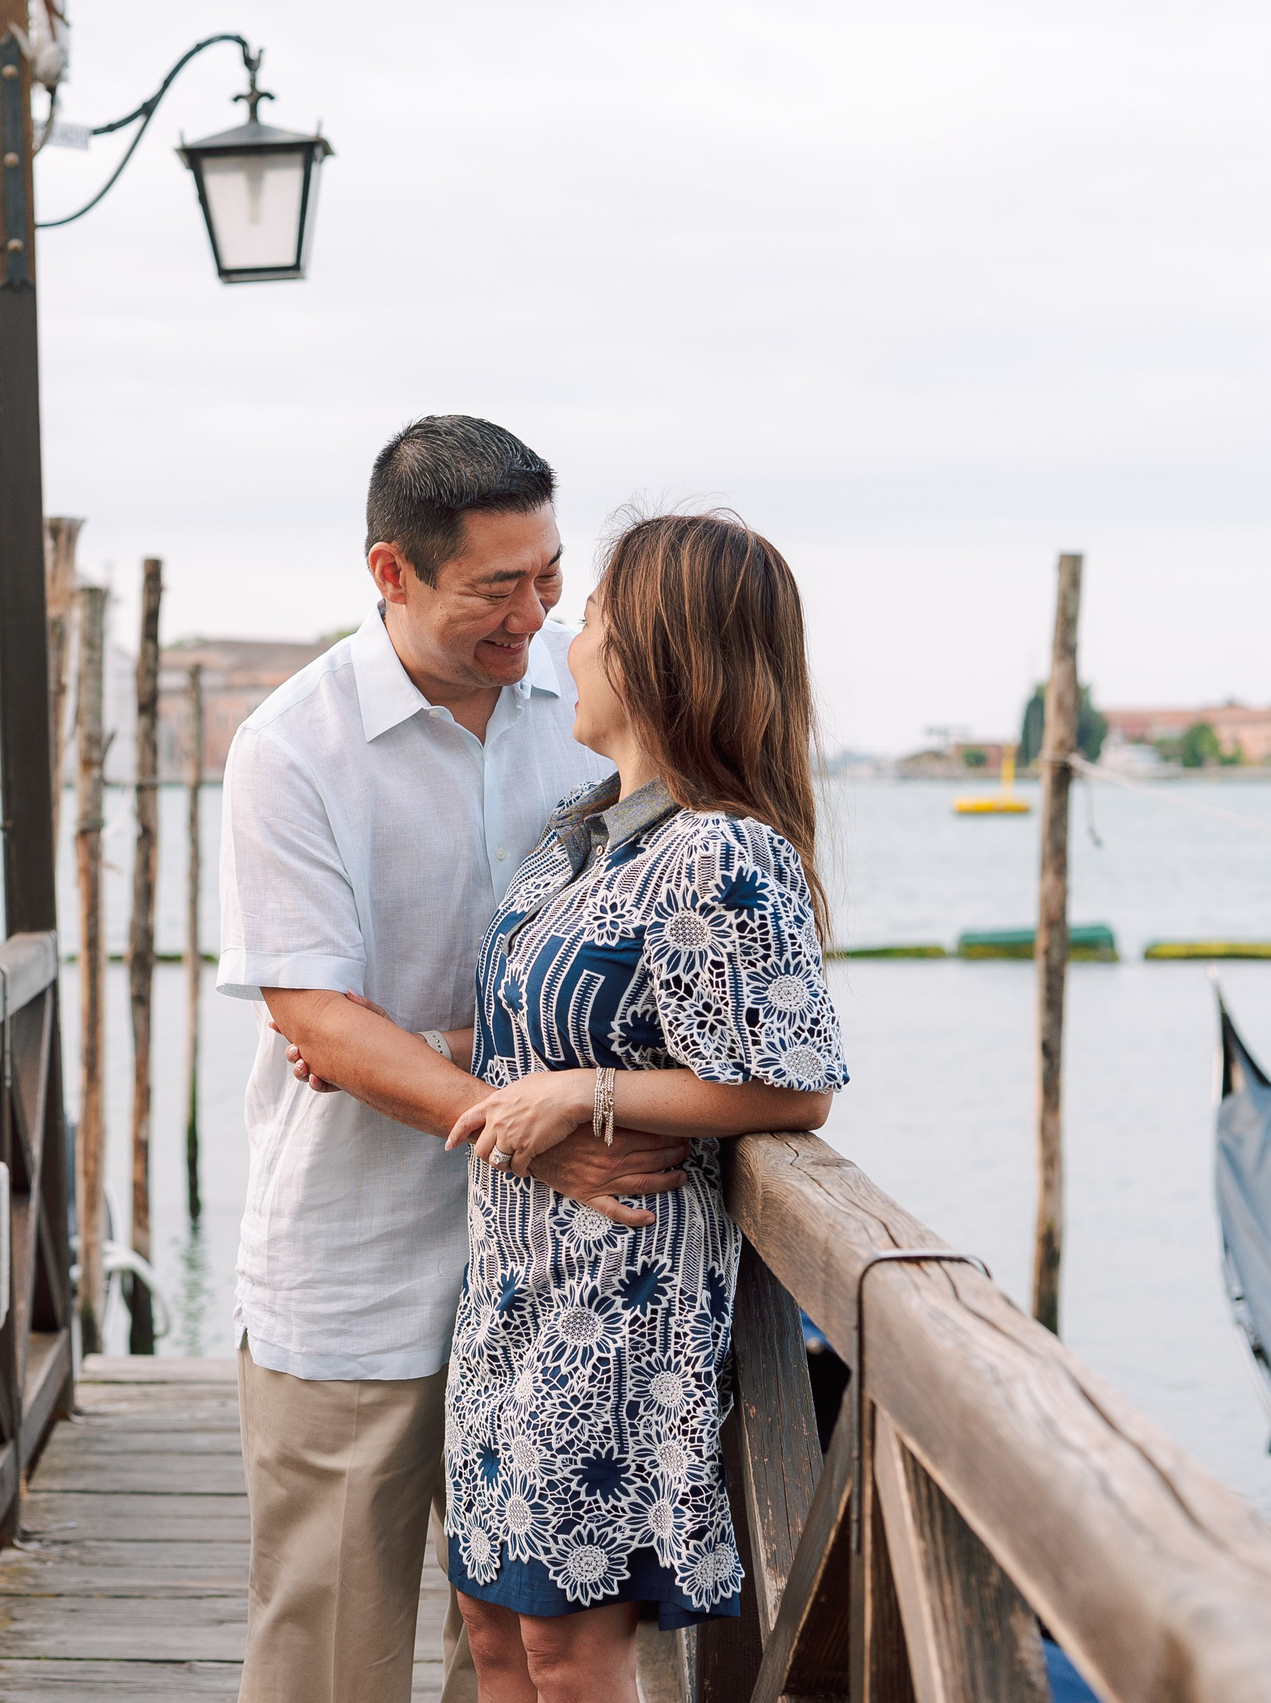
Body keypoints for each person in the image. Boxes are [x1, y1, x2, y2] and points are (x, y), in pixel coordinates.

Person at [308, 510, 846, 1703]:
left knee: (568, 1645)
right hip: (507, 1292)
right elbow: (543, 1023)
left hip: (620, 1307)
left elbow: (792, 1082)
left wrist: (587, 1095)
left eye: (594, 612)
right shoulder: (578, 838)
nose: (567, 631)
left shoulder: (720, 854)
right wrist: (406, 1045)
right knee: (492, 1627)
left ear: (657, 651)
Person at [219, 417, 697, 1703]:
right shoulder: (289, 748)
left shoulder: (593, 717)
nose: (533, 613)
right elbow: (316, 1017)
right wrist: (541, 1120)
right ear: (392, 572)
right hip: (359, 1254)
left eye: (547, 576)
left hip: (567, 1271)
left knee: (520, 1654)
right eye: (497, 586)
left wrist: (508, 1079)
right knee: (331, 1649)